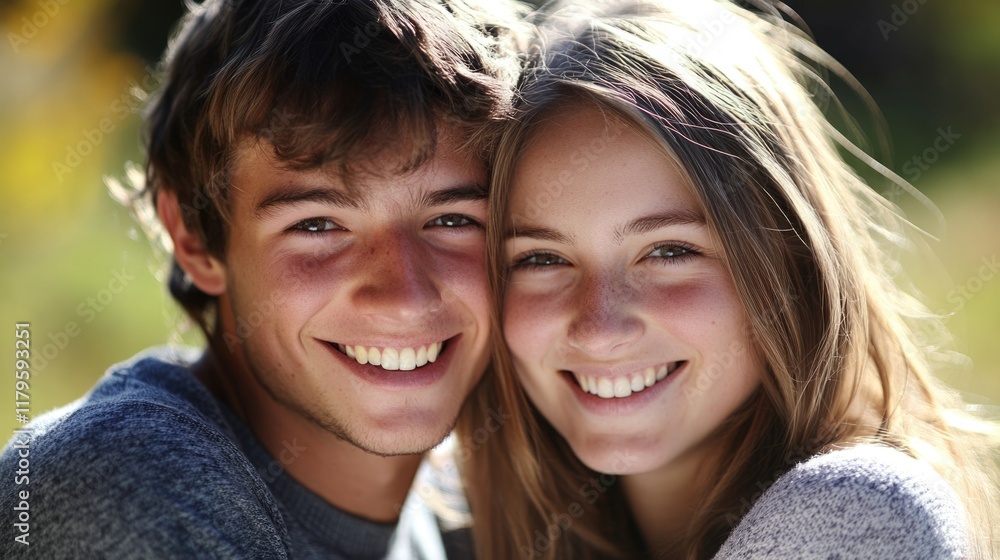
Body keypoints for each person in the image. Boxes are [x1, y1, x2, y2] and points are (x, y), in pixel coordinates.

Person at [458, 0, 1000, 558]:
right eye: (542, 259)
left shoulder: (851, 514)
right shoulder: (458, 527)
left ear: (791, 259)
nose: (599, 328)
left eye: (668, 251)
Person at [0, 0, 527, 557]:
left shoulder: (453, 515)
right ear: (195, 239)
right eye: (319, 224)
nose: (403, 297)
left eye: (451, 220)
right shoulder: (126, 482)